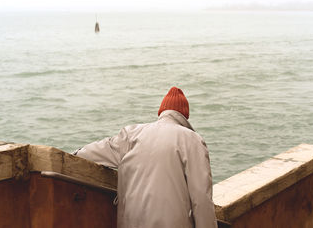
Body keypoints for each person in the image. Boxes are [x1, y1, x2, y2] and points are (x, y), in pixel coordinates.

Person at [73, 87, 218, 228]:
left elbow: (92, 153)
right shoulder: (193, 140)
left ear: (161, 112)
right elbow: (201, 199)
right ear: (185, 116)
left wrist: (74, 154)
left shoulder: (132, 134)